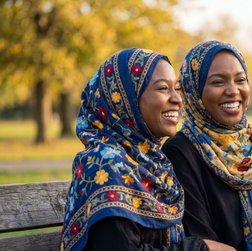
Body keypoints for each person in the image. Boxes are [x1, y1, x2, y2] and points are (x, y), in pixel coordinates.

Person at [59, 48, 208, 250]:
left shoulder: (152, 161)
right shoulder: (105, 165)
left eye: (177, 89)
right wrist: (200, 248)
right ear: (124, 99)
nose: (178, 99)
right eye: (164, 88)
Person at [162, 40, 252, 251]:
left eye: (240, 80)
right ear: (194, 89)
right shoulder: (180, 152)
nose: (233, 90)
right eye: (218, 82)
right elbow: (200, 239)